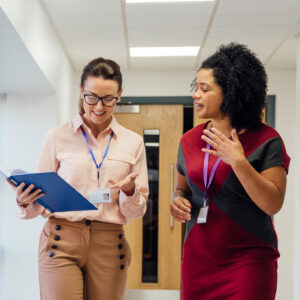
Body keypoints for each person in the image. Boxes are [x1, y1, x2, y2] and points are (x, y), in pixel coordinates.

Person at [7, 57, 149, 300]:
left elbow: (136, 211)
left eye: (108, 99)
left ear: (120, 94)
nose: (99, 107)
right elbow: (40, 202)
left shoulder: (132, 141)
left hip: (109, 241)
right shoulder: (57, 136)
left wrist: (129, 192)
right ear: (81, 91)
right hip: (61, 239)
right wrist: (25, 200)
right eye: (91, 97)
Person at [170, 43, 290, 300]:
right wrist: (177, 200)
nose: (195, 95)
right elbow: (182, 188)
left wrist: (239, 162)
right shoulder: (189, 141)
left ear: (232, 93)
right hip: (197, 260)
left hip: (248, 260)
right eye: (196, 88)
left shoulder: (267, 140)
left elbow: (273, 203)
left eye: (204, 89)